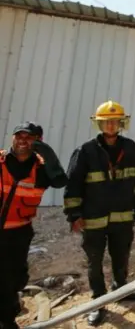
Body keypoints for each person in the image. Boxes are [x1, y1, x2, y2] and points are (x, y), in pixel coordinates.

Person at [63, 100, 135, 326]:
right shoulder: (85, 151)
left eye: (115, 121)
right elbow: (73, 185)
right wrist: (74, 214)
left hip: (122, 216)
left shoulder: (129, 148)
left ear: (121, 123)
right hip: (93, 218)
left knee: (122, 256)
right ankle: (97, 303)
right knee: (95, 261)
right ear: (99, 124)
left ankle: (121, 289)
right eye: (106, 122)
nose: (110, 126)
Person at [0, 122, 68, 329]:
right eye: (18, 135)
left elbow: (60, 181)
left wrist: (48, 154)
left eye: (29, 137)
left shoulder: (41, 170)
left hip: (17, 233)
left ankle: (7, 319)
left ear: (38, 141)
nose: (22, 140)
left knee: (11, 279)